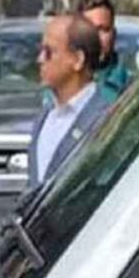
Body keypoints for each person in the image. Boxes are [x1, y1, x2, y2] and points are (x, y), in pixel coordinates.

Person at [29, 13, 112, 186]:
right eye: (40, 51)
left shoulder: (104, 121)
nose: (40, 59)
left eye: (49, 52)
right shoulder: (43, 119)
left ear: (77, 60)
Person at [77, 0, 132, 102]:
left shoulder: (131, 86)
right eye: (90, 30)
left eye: (104, 30)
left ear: (114, 34)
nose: (97, 38)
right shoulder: (61, 84)